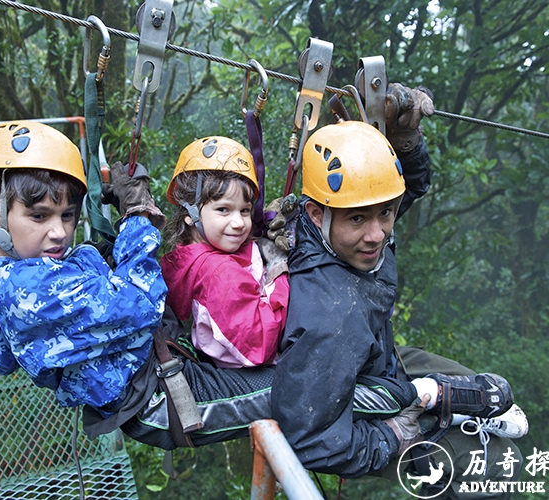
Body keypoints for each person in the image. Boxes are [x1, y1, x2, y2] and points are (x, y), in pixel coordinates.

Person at [270, 110, 527, 497]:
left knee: (498, 401)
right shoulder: (332, 316)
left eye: (386, 213)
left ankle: (445, 401)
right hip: (352, 382)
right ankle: (439, 412)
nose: (377, 235)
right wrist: (394, 435)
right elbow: (310, 440)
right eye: (359, 219)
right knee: (498, 468)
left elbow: (406, 187)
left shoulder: (343, 229)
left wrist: (407, 143)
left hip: (377, 354)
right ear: (316, 214)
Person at [0, 120, 168, 415]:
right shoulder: (25, 287)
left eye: (67, 215)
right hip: (153, 396)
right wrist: (137, 217)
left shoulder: (33, 270)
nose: (59, 233)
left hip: (155, 372)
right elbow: (142, 302)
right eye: (39, 216)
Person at [160, 136, 289, 368]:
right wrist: (280, 274)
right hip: (256, 376)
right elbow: (260, 343)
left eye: (245, 210)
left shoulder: (192, 258)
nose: (239, 223)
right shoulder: (219, 273)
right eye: (223, 210)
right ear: (189, 213)